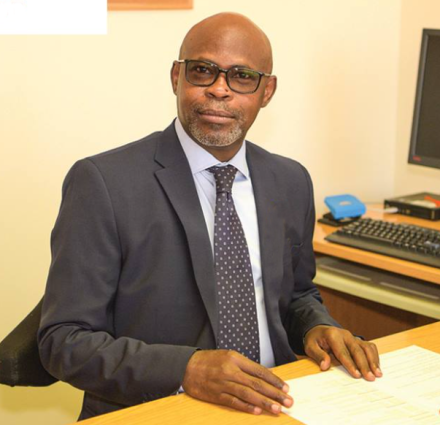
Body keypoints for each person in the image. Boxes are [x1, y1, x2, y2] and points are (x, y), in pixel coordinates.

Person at [38, 12, 381, 421]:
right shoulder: (104, 183)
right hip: (161, 408)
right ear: (176, 77)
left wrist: (316, 327)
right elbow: (63, 341)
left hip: (279, 400)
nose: (219, 89)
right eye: (202, 71)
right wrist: (185, 369)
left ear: (267, 91)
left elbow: (297, 295)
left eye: (242, 76)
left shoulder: (290, 181)